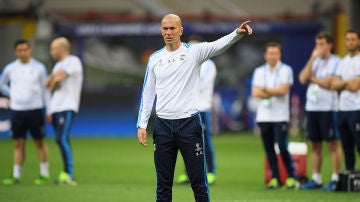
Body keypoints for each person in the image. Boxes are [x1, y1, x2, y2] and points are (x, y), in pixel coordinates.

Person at [137, 14, 252, 201]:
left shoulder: (194, 52)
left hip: (189, 124)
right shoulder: (155, 59)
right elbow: (148, 94)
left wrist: (236, 34)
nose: (168, 32)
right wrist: (142, 125)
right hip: (163, 126)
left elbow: (217, 45)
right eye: (165, 28)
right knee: (163, 185)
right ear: (161, 31)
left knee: (199, 184)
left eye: (172, 28)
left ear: (180, 30)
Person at [0, 39, 50, 185]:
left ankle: (44, 173)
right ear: (16, 52)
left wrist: (49, 109)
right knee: (18, 143)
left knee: (39, 142)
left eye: (25, 50)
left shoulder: (39, 68)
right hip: (17, 110)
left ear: (30, 50)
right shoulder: (10, 68)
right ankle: (16, 175)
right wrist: (12, 93)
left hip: (35, 109)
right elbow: (2, 84)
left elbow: (45, 89)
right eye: (20, 50)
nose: (23, 53)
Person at [298, 31, 342, 190]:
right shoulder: (315, 62)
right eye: (317, 44)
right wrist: (311, 59)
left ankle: (336, 178)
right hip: (312, 107)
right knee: (314, 144)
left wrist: (313, 78)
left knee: (332, 143)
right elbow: (302, 78)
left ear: (330, 45)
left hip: (328, 107)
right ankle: (316, 178)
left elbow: (329, 84)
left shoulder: (336, 61)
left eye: (322, 44)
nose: (318, 47)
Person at [251, 42, 297, 189]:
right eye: (270, 53)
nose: (273, 56)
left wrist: (264, 89)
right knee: (269, 149)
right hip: (264, 116)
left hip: (280, 116)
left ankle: (291, 176)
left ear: (280, 55)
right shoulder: (259, 71)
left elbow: (283, 90)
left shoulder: (286, 70)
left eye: (275, 53)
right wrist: (273, 90)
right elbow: (255, 92)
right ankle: (275, 178)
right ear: (265, 55)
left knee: (282, 147)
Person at [176, 35, 217, 185]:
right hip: (186, 109)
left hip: (202, 108)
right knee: (187, 143)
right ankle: (189, 173)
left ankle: (211, 171)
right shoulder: (184, 63)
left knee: (205, 141)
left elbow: (198, 84)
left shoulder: (209, 64)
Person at [46, 37, 83, 185]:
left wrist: (54, 79)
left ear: (61, 49)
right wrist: (54, 78)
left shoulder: (73, 61)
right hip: (56, 106)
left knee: (62, 138)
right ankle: (66, 173)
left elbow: (56, 81)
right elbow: (48, 85)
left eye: (53, 49)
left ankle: (70, 174)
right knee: (59, 139)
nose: (51, 52)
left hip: (67, 105)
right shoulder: (58, 66)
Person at [331, 29, 360, 171]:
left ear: (358, 41)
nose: (350, 42)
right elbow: (334, 84)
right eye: (348, 39)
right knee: (347, 146)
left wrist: (342, 83)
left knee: (359, 145)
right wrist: (347, 82)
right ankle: (350, 176)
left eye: (353, 39)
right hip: (343, 109)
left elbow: (355, 86)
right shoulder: (342, 62)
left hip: (357, 108)